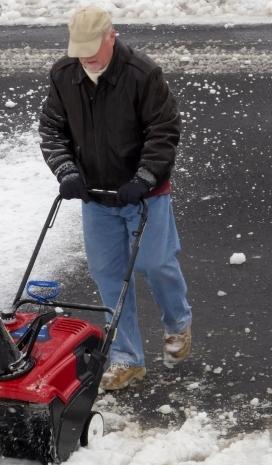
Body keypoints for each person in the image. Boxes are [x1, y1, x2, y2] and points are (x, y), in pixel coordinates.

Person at [38, 6, 192, 391]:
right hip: (96, 197)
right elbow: (52, 129)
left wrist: (144, 177)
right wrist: (67, 172)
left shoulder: (143, 74)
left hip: (144, 195)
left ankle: (177, 324)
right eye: (80, 49)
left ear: (112, 36)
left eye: (94, 47)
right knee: (109, 277)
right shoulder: (64, 74)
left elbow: (164, 130)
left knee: (156, 264)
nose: (87, 56)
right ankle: (128, 359)